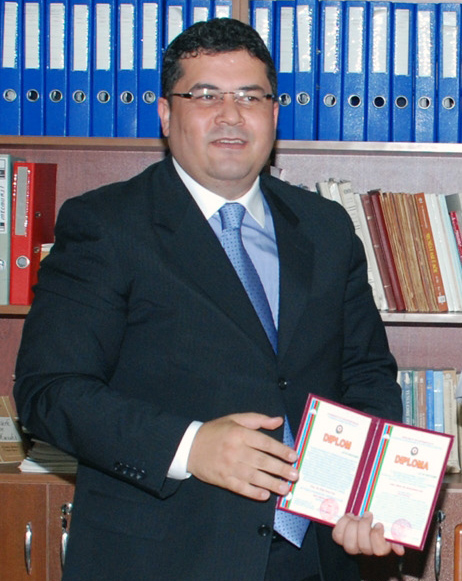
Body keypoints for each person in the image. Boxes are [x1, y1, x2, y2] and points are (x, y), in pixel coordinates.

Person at [14, 17, 404, 581]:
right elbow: (49, 392)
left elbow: (366, 373)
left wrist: (365, 492)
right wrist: (190, 446)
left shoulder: (326, 227)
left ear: (274, 114)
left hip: (316, 556)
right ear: (165, 114)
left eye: (250, 96)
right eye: (205, 96)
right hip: (164, 556)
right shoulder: (105, 224)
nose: (230, 115)